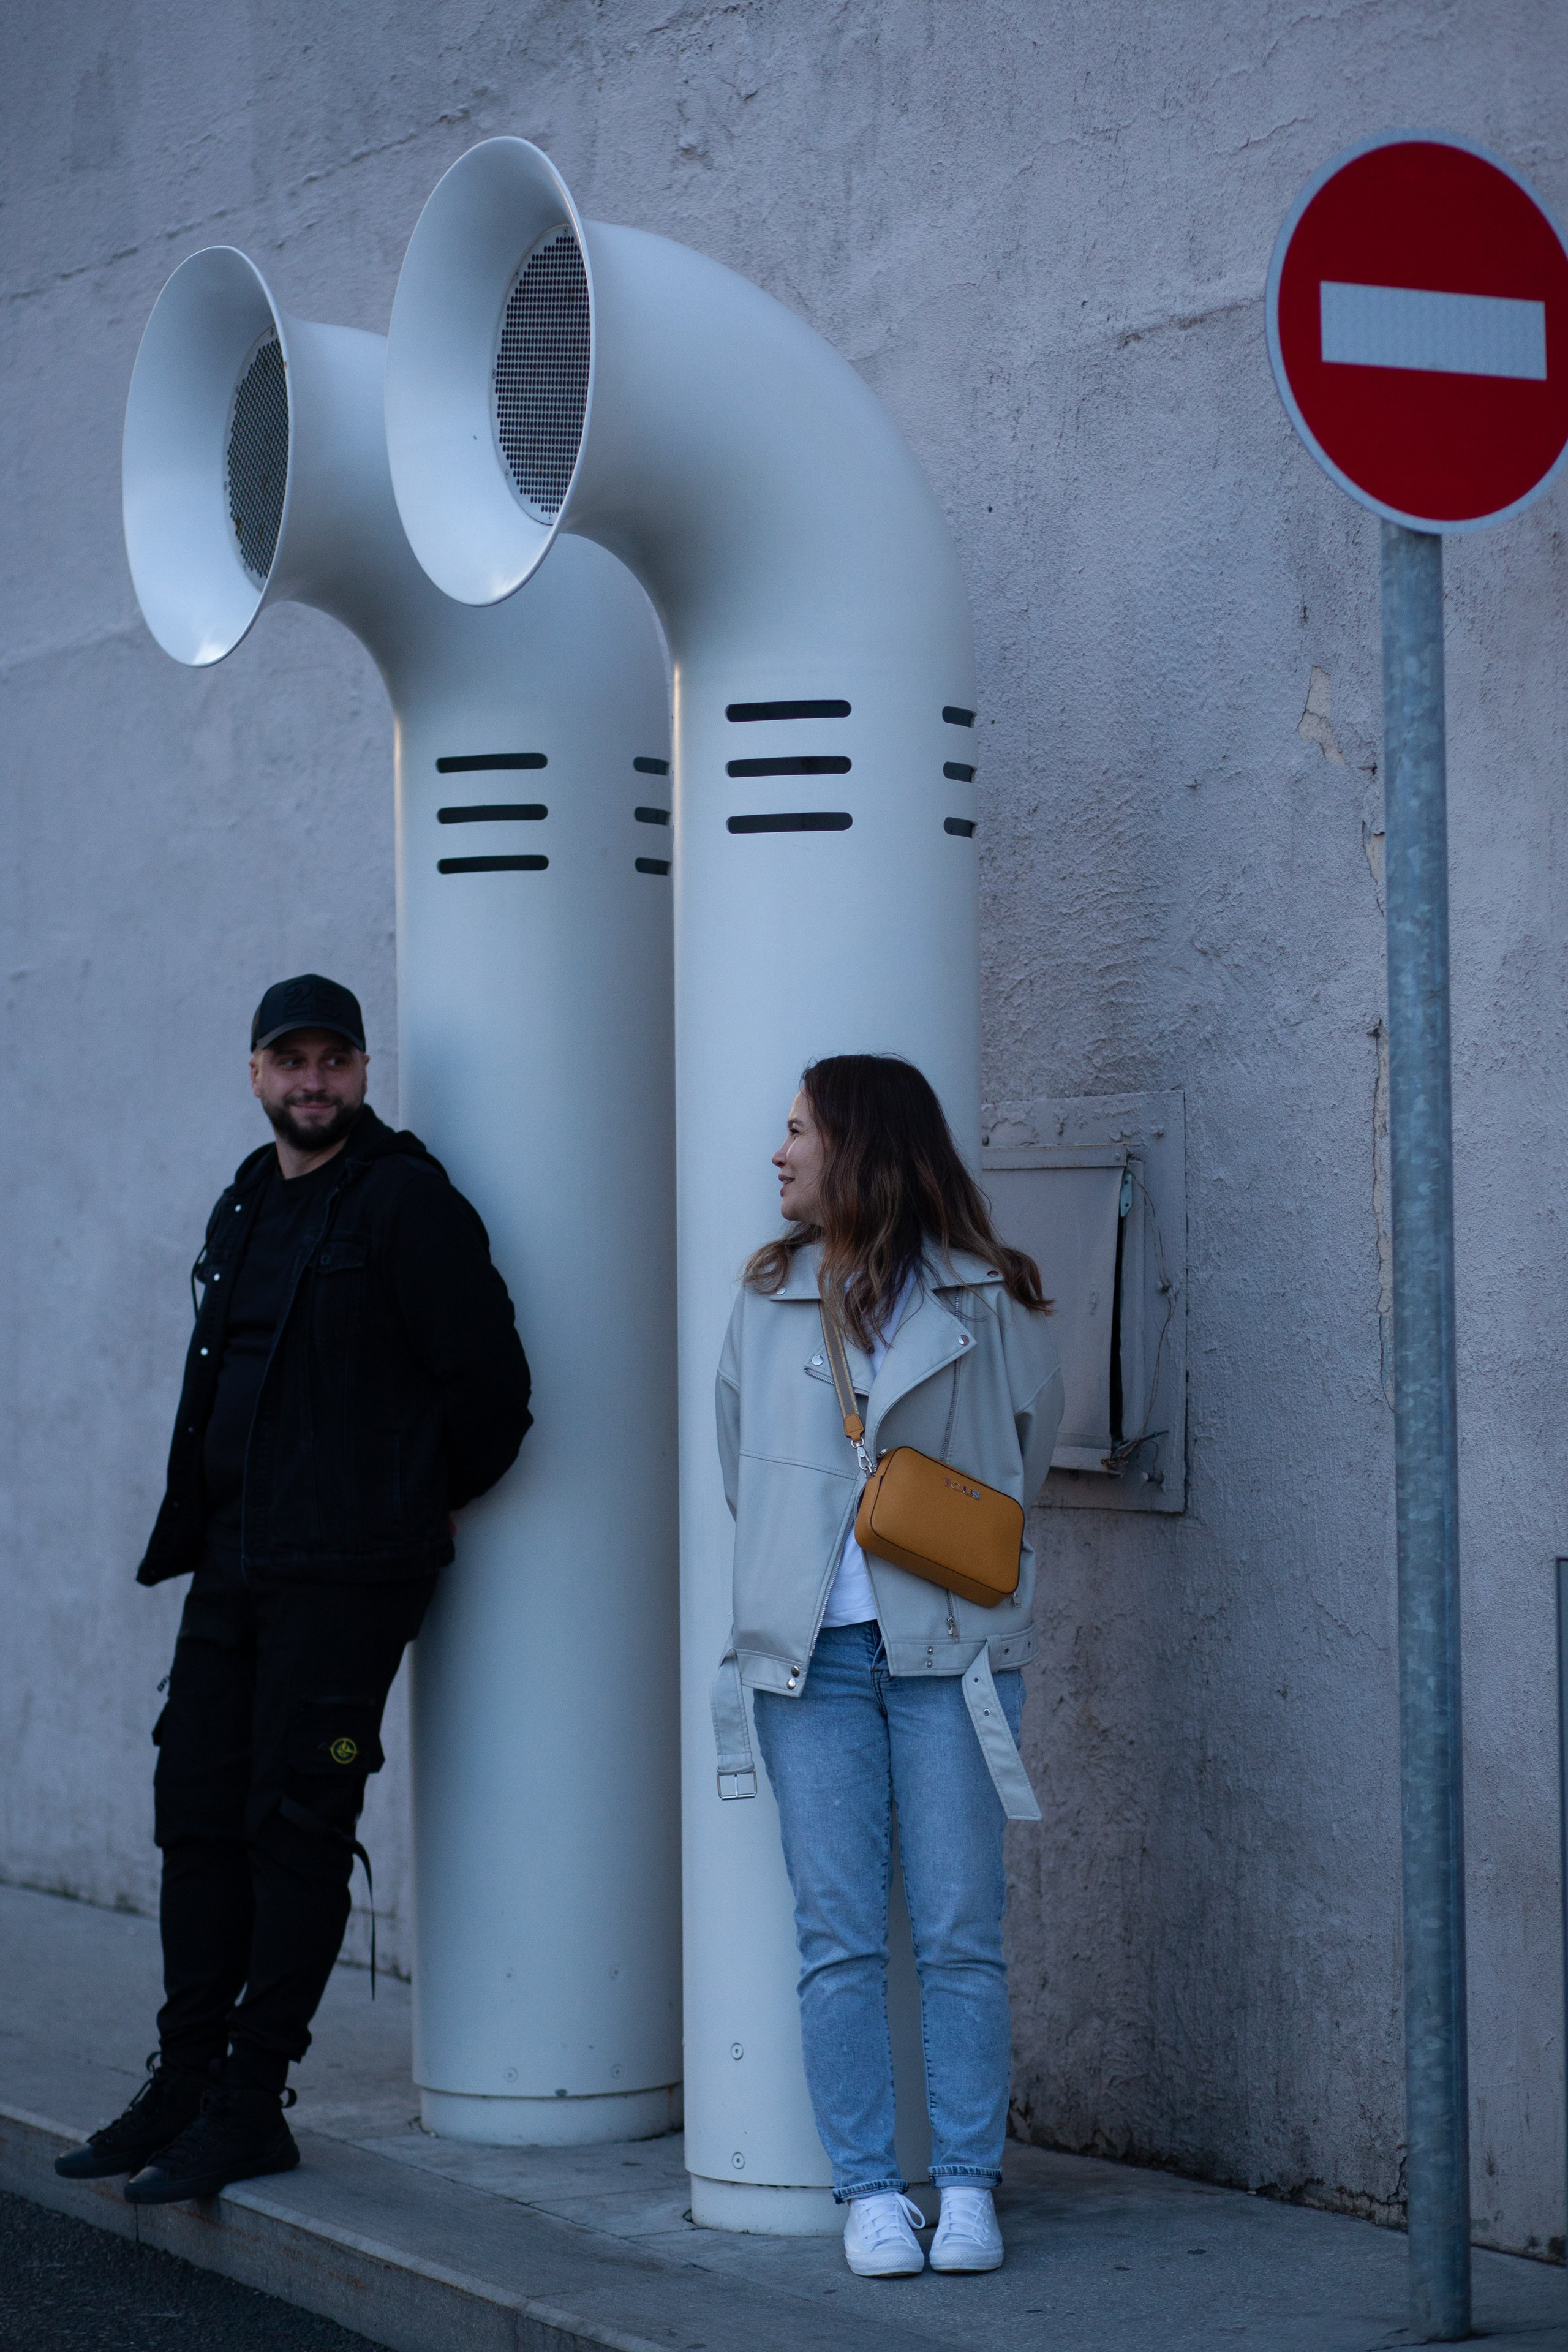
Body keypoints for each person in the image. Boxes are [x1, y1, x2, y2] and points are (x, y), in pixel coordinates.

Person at [55, 974, 532, 2204]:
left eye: (333, 1061)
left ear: (362, 1072)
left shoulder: (406, 1205)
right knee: (195, 1817)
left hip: (346, 1576)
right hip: (234, 1561)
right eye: (290, 1062)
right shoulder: (248, 1200)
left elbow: (492, 1390)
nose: (311, 1083)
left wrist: (408, 1499)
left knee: (293, 1827)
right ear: (256, 1071)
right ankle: (183, 2080)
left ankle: (252, 2101)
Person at [713, 1054, 1062, 2278]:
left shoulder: (989, 1300)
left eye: (796, 1129)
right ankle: (868, 2190)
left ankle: (966, 2185)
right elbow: (737, 1464)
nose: (777, 1152)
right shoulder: (763, 1301)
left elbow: (1025, 1462)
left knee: (963, 1933)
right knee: (838, 1939)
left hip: (950, 1655)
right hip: (811, 1660)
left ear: (856, 1147)